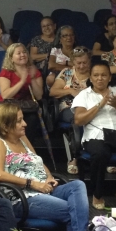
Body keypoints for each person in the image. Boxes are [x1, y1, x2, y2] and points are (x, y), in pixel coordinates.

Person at [0, 103, 89, 231]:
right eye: (19, 121)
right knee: (73, 210)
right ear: (5, 126)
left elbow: (37, 159)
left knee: (77, 185)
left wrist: (49, 176)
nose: (25, 124)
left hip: (44, 189)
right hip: (23, 197)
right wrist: (32, 183)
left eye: (23, 119)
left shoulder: (22, 138)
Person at [72, 62, 116, 209]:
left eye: (104, 75)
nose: (100, 78)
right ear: (90, 78)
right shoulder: (83, 95)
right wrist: (100, 105)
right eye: (96, 75)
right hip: (95, 134)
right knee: (99, 154)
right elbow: (79, 120)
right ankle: (97, 194)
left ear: (110, 77)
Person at [48, 46, 92, 174]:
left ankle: (100, 156)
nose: (82, 66)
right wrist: (71, 90)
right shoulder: (67, 73)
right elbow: (53, 91)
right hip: (69, 107)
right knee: (78, 118)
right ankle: (75, 157)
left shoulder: (95, 74)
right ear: (73, 62)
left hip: (91, 107)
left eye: (85, 62)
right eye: (79, 63)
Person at [0, 43, 46, 147]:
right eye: (18, 53)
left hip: (27, 108)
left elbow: (39, 96)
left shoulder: (34, 71)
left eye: (24, 52)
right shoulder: (6, 72)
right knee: (12, 120)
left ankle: (27, 148)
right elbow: (5, 95)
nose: (22, 55)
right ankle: (11, 147)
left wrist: (32, 78)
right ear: (11, 58)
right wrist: (23, 80)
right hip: (8, 106)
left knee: (32, 119)